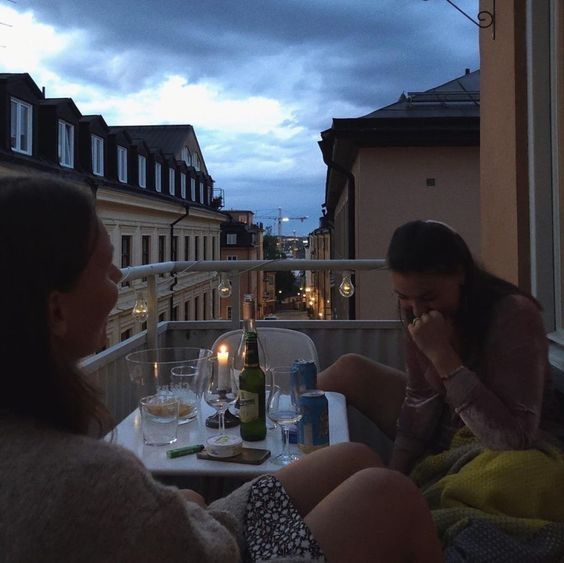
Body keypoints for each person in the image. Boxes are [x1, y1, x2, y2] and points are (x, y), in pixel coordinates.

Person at [0, 176, 442, 562]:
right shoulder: (89, 476)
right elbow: (208, 551)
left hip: (192, 531)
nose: (120, 277)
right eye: (104, 268)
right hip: (217, 547)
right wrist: (183, 509)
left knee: (356, 457)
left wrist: (176, 507)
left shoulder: (43, 452)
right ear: (56, 311)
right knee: (390, 494)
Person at [319, 219, 563, 474]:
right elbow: (419, 401)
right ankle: (278, 420)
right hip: (446, 426)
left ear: (461, 275)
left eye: (429, 297)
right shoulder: (419, 315)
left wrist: (444, 358)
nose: (418, 310)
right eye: (403, 297)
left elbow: (513, 440)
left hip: (512, 452)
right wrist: (397, 475)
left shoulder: (513, 315)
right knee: (350, 370)